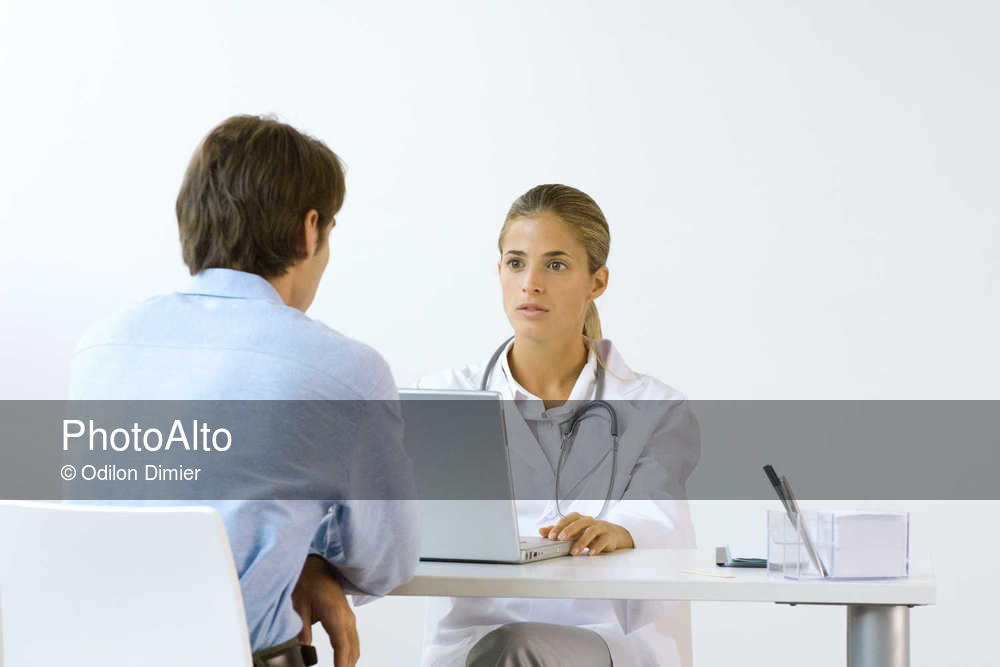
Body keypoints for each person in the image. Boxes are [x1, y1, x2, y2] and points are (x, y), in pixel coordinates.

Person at [69, 115, 419, 667]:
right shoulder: (346, 372)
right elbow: (386, 561)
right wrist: (309, 560)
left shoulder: (100, 345)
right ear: (310, 230)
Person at [418, 184, 699, 666]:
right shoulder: (445, 397)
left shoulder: (654, 407)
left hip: (603, 640)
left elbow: (662, 520)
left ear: (597, 282)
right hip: (474, 641)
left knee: (516, 650)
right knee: (507, 649)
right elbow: (391, 521)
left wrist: (620, 530)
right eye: (516, 262)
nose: (530, 283)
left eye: (555, 265)